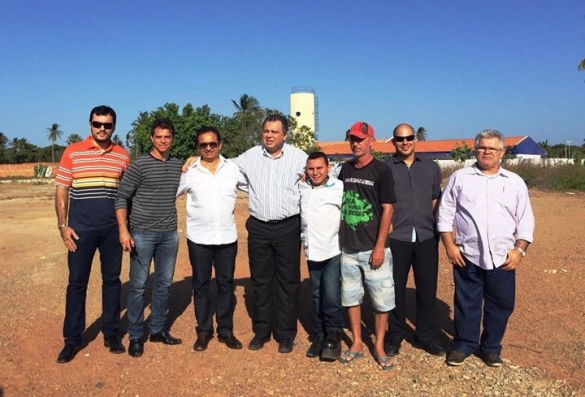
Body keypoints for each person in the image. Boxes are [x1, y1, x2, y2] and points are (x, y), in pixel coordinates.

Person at [436, 129, 535, 367]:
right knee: (466, 303)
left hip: (503, 257)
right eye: (482, 147)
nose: (487, 152)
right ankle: (463, 344)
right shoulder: (460, 178)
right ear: (475, 150)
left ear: (501, 152)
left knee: (500, 305)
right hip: (467, 255)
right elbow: (445, 213)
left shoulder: (514, 182)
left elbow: (525, 220)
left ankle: (491, 348)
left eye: (492, 148)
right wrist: (450, 246)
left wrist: (519, 250)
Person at [54, 105, 130, 363]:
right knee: (77, 284)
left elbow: (127, 193)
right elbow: (62, 189)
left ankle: (111, 333)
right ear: (90, 125)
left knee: (112, 281)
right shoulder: (73, 152)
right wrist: (62, 225)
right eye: (97, 124)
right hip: (80, 231)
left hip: (111, 231)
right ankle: (72, 340)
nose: (102, 128)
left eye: (107, 125)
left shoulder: (122, 155)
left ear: (113, 127)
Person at [235, 114, 308, 353]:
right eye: (266, 131)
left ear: (284, 135)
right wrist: (195, 159)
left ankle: (285, 334)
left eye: (274, 132)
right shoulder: (249, 156)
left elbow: (323, 174)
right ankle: (262, 330)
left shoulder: (299, 158)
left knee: (288, 282)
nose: (269, 135)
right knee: (261, 280)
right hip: (258, 227)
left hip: (288, 226)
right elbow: (221, 166)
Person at [115, 118, 184, 358]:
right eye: (158, 137)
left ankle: (156, 329)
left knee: (164, 284)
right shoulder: (139, 165)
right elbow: (122, 197)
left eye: (167, 137)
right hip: (141, 234)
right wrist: (123, 230)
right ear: (151, 139)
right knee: (138, 287)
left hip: (169, 235)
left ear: (172, 138)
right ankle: (135, 335)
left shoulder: (177, 165)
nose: (163, 141)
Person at [177, 127, 247, 352]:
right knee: (201, 285)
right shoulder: (190, 171)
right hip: (198, 237)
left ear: (220, 145)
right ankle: (204, 331)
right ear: (198, 147)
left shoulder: (233, 169)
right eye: (203, 145)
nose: (208, 148)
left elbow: (256, 186)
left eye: (212, 144)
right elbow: (169, 192)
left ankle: (225, 330)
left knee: (226, 285)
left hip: (226, 237)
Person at [337, 121, 396, 370]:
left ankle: (379, 344)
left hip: (374, 248)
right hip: (348, 248)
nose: (356, 143)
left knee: (381, 299)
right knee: (351, 297)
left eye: (361, 139)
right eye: (352, 138)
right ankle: (357, 342)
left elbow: (387, 208)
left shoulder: (381, 171)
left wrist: (380, 246)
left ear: (371, 141)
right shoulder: (344, 170)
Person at [384, 123, 445, 357]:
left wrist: (439, 229)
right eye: (400, 139)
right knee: (395, 289)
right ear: (394, 142)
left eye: (409, 137)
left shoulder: (430, 167)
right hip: (397, 237)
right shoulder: (385, 168)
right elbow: (382, 201)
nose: (405, 142)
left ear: (415, 139)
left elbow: (434, 199)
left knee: (427, 289)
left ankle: (426, 335)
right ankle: (395, 334)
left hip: (426, 236)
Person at [299, 151, 344, 361]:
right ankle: (319, 335)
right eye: (311, 168)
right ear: (306, 170)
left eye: (319, 168)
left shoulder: (339, 187)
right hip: (312, 251)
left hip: (332, 251)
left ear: (328, 167)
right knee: (316, 295)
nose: (315, 172)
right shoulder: (302, 187)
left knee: (332, 294)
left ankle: (334, 335)